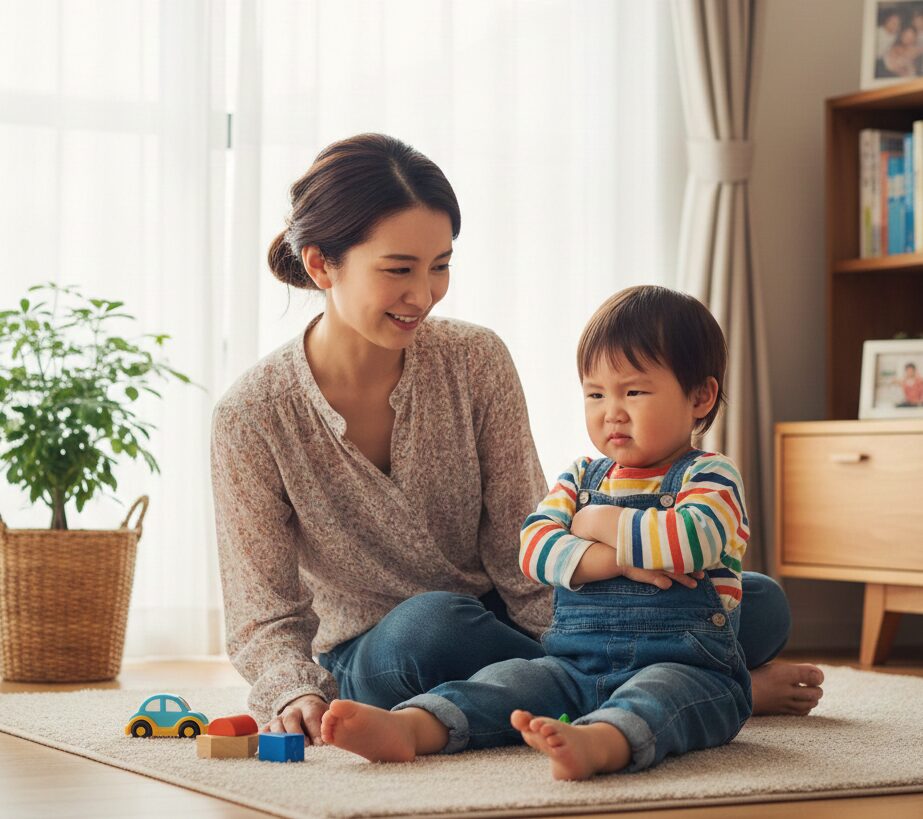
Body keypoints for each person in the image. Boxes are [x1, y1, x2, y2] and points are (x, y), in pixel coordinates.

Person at [210, 134, 823, 749]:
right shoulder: (251, 416)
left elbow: (521, 546)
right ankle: (710, 685)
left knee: (759, 601)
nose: (423, 295)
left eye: (440, 265)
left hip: (511, 621)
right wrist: (293, 691)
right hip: (387, 648)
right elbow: (262, 613)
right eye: (399, 269)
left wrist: (605, 615)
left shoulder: (475, 358)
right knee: (433, 625)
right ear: (321, 264)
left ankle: (622, 681)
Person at [320, 286, 755, 779]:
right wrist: (618, 559)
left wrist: (595, 524)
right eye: (595, 394)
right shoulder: (582, 476)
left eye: (633, 391)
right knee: (505, 682)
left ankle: (602, 741)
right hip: (572, 665)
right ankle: (414, 727)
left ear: (701, 396)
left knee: (661, 697)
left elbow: (690, 542)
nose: (611, 411)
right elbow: (534, 549)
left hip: (687, 664)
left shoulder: (710, 475)